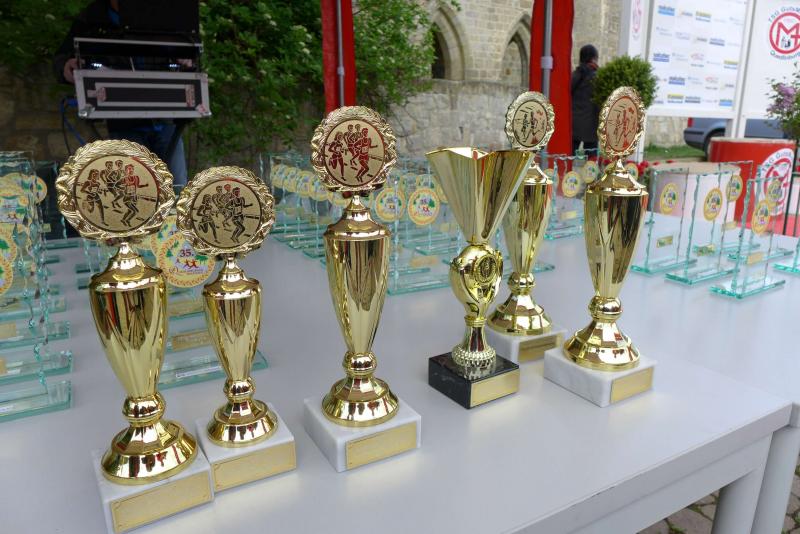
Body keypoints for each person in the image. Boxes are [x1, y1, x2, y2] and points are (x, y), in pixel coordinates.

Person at [53, 0, 189, 184]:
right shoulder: (93, 15)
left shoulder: (158, 12)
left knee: (177, 185)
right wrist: (65, 67)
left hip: (166, 118)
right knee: (136, 188)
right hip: (123, 121)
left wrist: (186, 56)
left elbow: (188, 46)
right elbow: (63, 57)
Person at [571, 44, 600, 155]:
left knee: (568, 158)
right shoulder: (599, 77)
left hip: (574, 124)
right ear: (594, 58)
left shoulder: (575, 74)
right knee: (591, 160)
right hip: (592, 125)